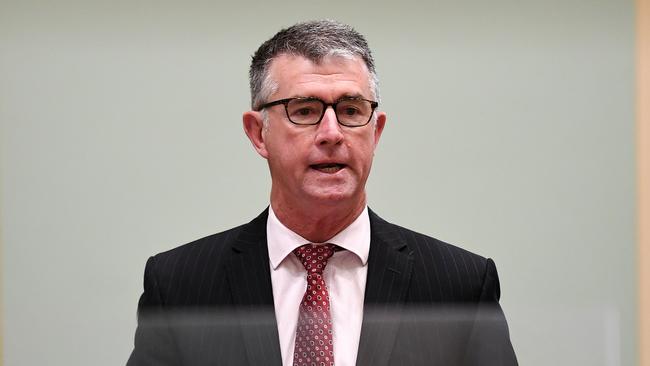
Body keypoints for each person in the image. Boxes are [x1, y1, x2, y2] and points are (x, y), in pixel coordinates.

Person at [127, 20, 518, 366]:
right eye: (305, 110)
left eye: (350, 110)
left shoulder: (459, 286)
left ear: (375, 131)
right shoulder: (180, 286)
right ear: (257, 132)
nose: (332, 133)